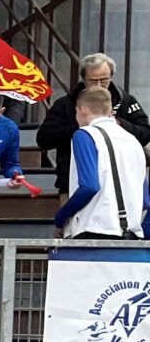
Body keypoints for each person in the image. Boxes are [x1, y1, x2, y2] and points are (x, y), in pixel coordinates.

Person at [38, 53, 150, 199]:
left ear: (111, 77)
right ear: (83, 79)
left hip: (120, 184)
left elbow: (145, 134)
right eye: (93, 81)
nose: (98, 86)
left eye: (104, 81)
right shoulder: (66, 104)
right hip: (74, 183)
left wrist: (117, 123)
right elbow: (44, 139)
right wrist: (79, 126)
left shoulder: (125, 101)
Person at [54, 87, 150, 238]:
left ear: (82, 109)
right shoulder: (133, 141)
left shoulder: (85, 134)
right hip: (131, 234)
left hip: (94, 229)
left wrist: (60, 218)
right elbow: (145, 199)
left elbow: (89, 186)